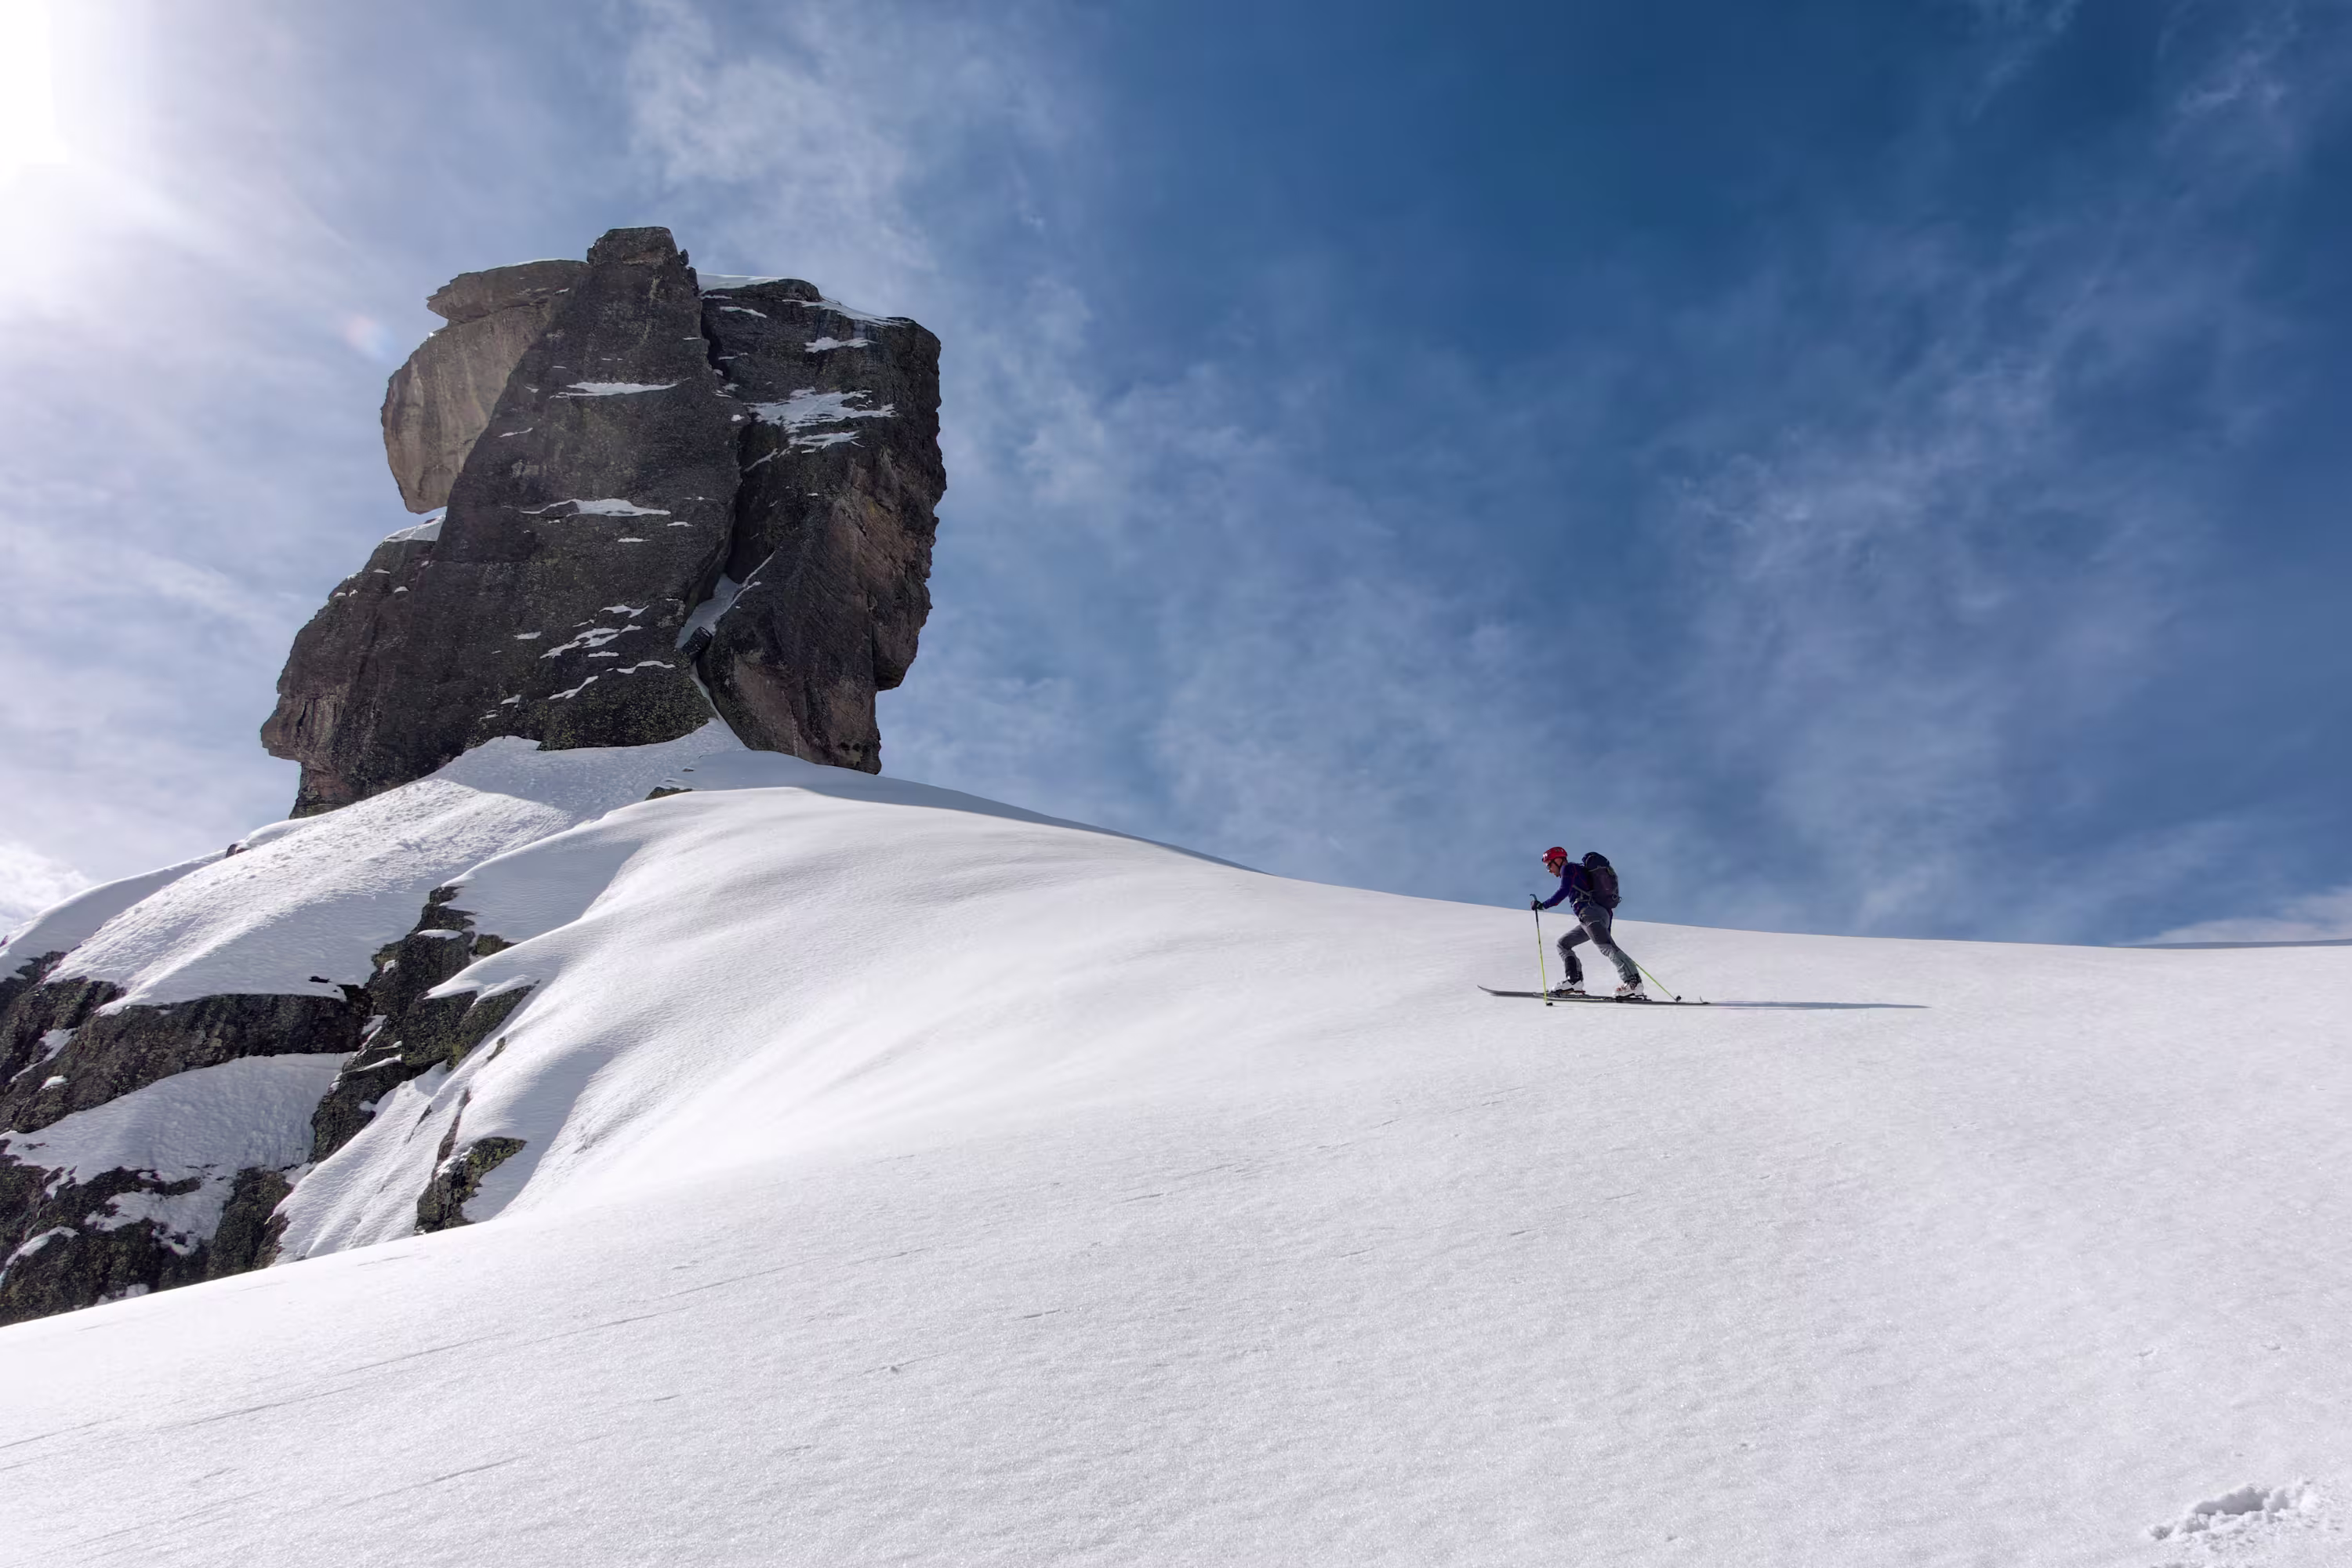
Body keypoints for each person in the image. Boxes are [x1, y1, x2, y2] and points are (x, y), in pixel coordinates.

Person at [1531, 846, 1644, 1000]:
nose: (1549, 870)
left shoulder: (1568, 869)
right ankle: (1574, 981)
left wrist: (1543, 905)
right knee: (1563, 944)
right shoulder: (1578, 871)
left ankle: (1633, 983)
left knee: (1607, 947)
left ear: (1558, 860)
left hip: (1590, 914)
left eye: (1549, 865)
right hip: (1595, 916)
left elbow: (1563, 890)